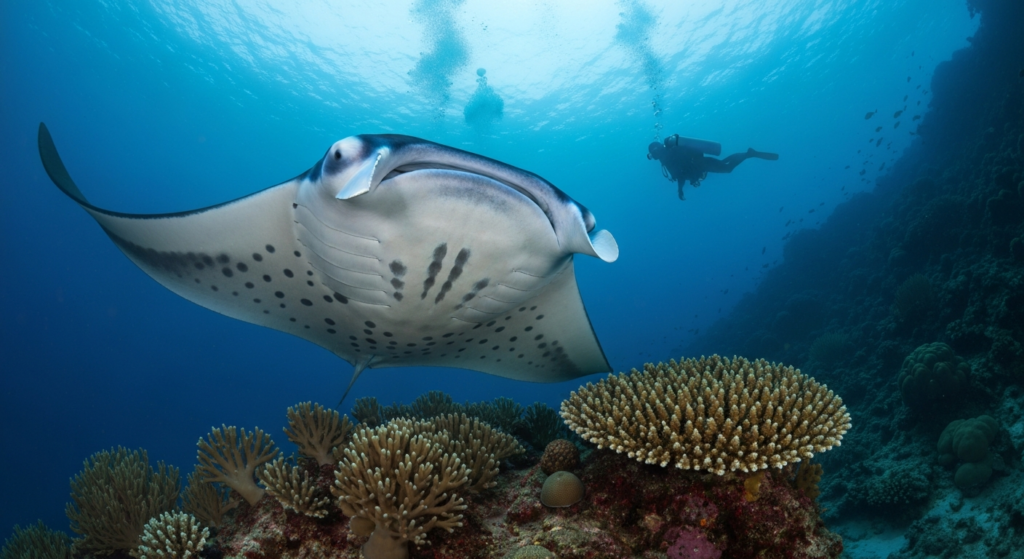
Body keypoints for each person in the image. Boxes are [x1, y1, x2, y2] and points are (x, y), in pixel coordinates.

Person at [647, 134, 779, 199]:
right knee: (724, 164)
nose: (654, 157)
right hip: (703, 163)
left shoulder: (667, 160)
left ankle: (749, 154)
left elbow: (680, 175)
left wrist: (680, 189)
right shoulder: (670, 153)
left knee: (727, 168)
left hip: (702, 166)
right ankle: (748, 153)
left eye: (653, 155)